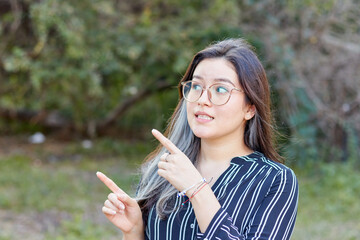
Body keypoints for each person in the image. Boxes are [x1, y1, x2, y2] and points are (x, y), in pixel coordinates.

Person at [96, 38, 298, 240]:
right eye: (196, 86)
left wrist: (197, 189)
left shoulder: (275, 180)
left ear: (250, 108)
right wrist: (133, 232)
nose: (202, 100)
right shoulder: (163, 171)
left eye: (220, 89)